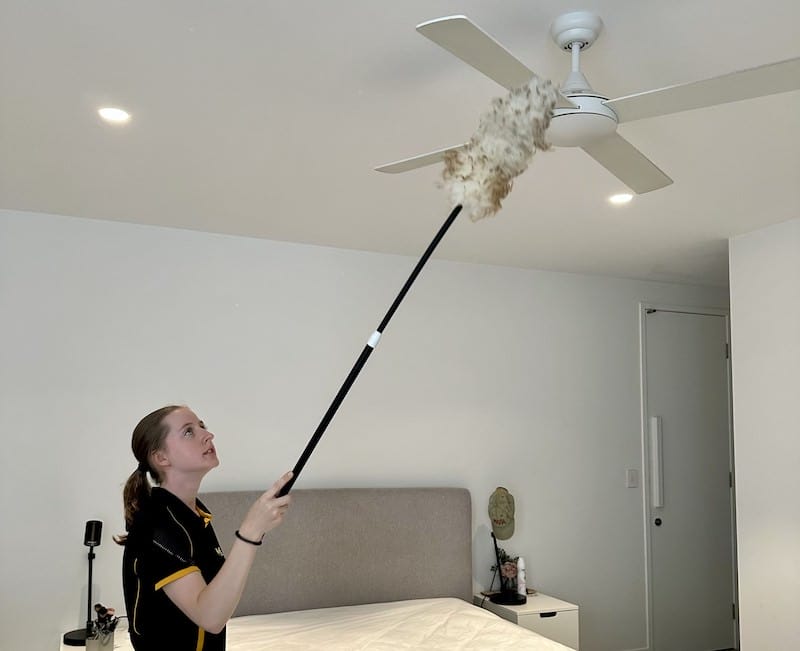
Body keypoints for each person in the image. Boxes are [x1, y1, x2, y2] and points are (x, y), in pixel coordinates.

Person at [115, 405, 292, 650]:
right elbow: (210, 617)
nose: (207, 435)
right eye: (188, 432)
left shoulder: (193, 515)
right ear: (161, 458)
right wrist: (251, 531)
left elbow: (216, 599)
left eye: (202, 426)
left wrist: (255, 528)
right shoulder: (157, 524)